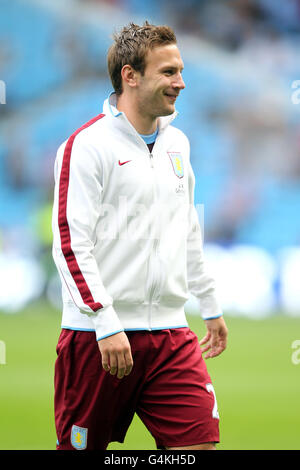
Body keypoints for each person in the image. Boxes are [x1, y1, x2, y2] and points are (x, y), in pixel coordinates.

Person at [52, 21, 228, 451]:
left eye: (181, 70)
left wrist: (208, 304)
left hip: (171, 333)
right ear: (130, 76)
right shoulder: (86, 146)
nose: (181, 83)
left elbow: (186, 227)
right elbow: (70, 243)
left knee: (198, 446)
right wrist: (105, 321)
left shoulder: (178, 144)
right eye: (168, 72)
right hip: (97, 337)